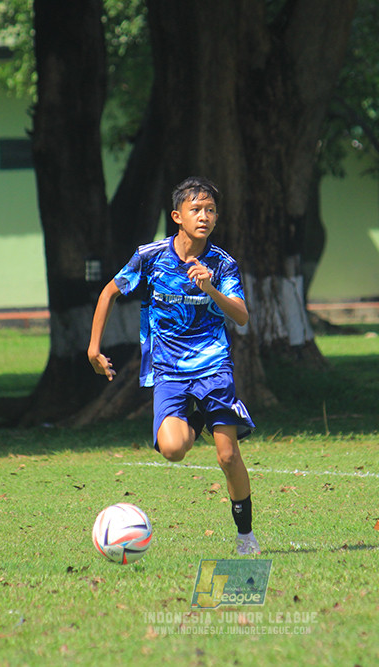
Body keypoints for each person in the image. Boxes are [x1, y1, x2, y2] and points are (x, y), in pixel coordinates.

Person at [87, 176, 260, 556]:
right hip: (168, 370)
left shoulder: (222, 263)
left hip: (213, 366)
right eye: (196, 209)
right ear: (177, 216)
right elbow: (109, 292)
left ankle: (245, 535)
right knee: (173, 449)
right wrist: (93, 348)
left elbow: (243, 317)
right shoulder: (150, 257)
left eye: (211, 210)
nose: (205, 216)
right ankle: (200, 420)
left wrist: (211, 289)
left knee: (228, 456)